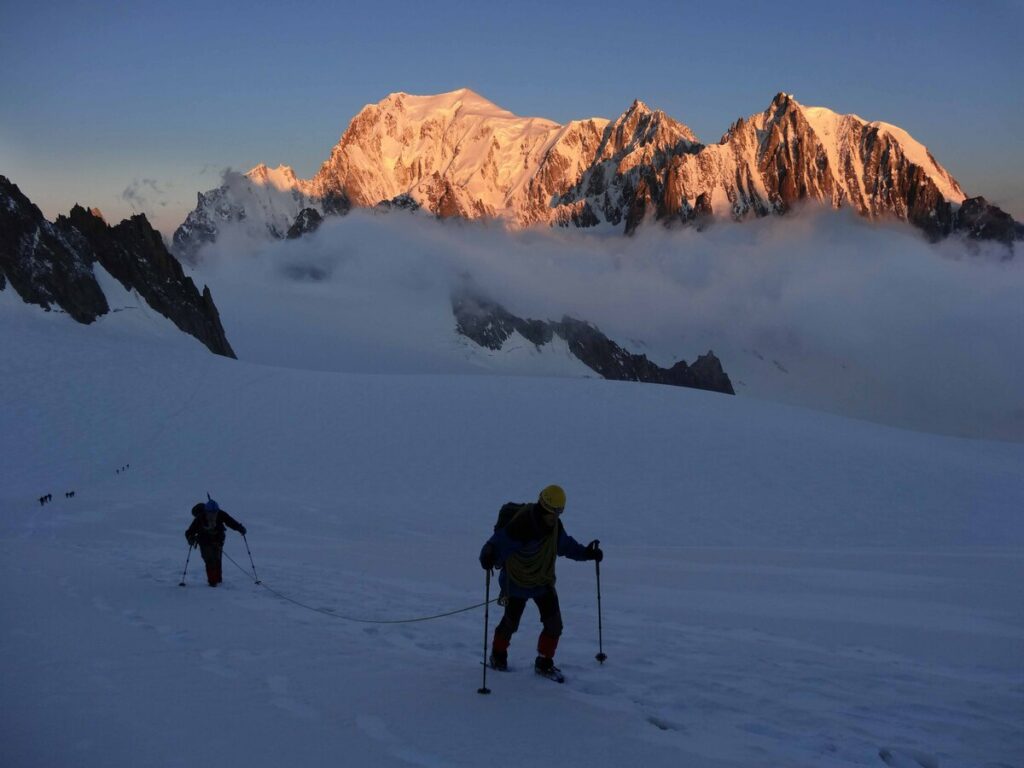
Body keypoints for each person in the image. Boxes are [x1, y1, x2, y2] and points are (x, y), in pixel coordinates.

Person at [479, 484, 603, 677]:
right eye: (554, 512)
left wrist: (587, 554)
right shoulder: (521, 525)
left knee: (554, 625)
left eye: (559, 513)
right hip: (517, 583)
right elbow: (498, 542)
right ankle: (498, 656)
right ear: (545, 508)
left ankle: (544, 662)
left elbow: (566, 546)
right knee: (510, 624)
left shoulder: (555, 527)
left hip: (542, 582)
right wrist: (487, 554)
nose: (556, 517)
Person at [185, 496, 246, 587]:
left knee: (217, 560)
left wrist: (240, 528)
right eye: (210, 512)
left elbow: (230, 522)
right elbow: (190, 532)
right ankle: (213, 582)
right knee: (210, 560)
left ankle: (218, 580)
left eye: (215, 512)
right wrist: (190, 538)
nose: (213, 514)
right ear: (206, 511)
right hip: (205, 542)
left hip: (218, 541)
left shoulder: (221, 514)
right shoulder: (200, 517)